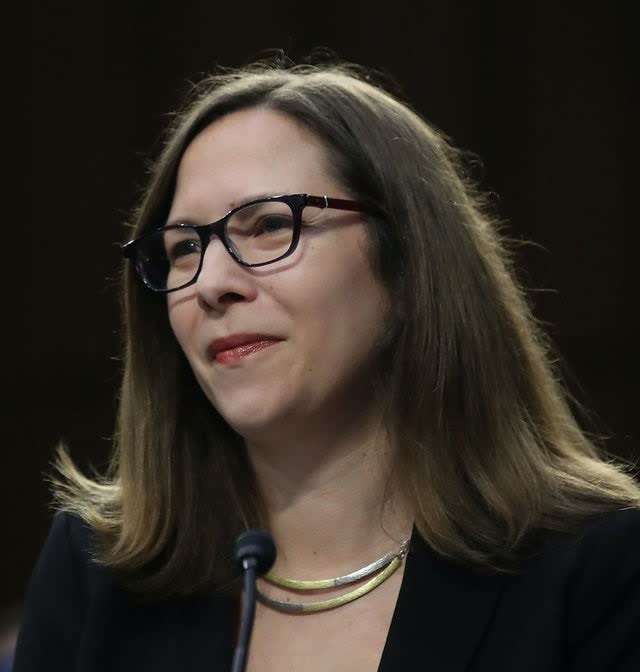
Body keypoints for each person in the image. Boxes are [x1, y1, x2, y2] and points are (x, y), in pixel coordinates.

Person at [14, 58, 640, 671]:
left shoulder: (598, 570)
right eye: (184, 249)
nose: (211, 284)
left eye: (268, 225)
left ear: (406, 264)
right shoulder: (95, 575)